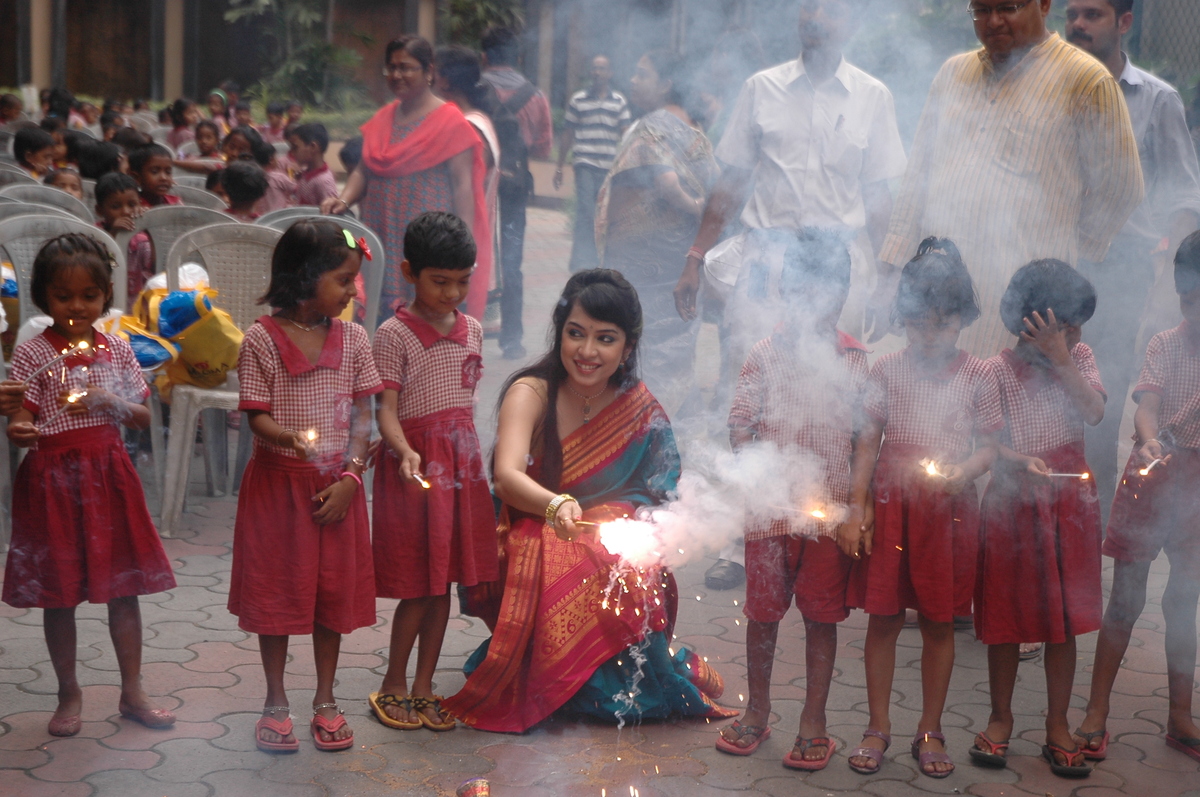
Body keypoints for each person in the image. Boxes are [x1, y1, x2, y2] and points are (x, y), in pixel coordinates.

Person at [442, 270, 736, 732]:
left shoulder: (638, 406)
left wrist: (644, 527)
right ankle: (566, 680)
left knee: (622, 552)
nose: (587, 351)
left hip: (605, 535)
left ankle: (642, 671)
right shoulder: (531, 390)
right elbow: (506, 477)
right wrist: (556, 506)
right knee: (569, 554)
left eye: (605, 339)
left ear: (628, 347)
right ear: (559, 331)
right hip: (531, 529)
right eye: (575, 333)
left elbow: (664, 489)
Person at [681, 0, 907, 591]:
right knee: (746, 392)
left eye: (829, 9)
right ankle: (739, 535)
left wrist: (887, 277)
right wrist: (695, 256)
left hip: (837, 267)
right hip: (768, 261)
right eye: (807, 6)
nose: (815, 16)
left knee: (827, 398)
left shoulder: (872, 97)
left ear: (852, 22)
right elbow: (730, 182)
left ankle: (819, 525)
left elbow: (880, 197)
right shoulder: (761, 88)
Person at [872, 0, 1143, 358]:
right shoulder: (953, 73)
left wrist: (1066, 254)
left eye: (1008, 7)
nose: (993, 21)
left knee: (1006, 405)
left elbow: (1121, 186)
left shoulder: (1086, 80)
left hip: (1021, 307)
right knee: (931, 405)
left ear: (1044, 5)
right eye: (981, 10)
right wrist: (891, 272)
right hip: (937, 304)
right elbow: (916, 179)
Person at [0, 233, 177, 738]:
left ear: (105, 296)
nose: (77, 306)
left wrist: (107, 401)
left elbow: (142, 417)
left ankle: (133, 690)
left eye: (89, 295)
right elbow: (20, 419)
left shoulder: (117, 350)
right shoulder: (34, 355)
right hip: (53, 482)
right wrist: (20, 429)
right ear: (43, 299)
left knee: (124, 589)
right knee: (60, 593)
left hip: (107, 477)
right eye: (63, 296)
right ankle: (68, 692)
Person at [840, 238, 1002, 778]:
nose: (929, 336)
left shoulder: (980, 375)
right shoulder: (884, 370)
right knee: (883, 618)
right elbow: (868, 442)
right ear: (903, 319)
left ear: (962, 320)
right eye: (918, 324)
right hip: (891, 506)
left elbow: (988, 446)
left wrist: (967, 471)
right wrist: (857, 507)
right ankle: (877, 725)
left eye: (942, 324)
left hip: (949, 511)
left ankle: (930, 727)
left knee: (938, 622)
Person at [715, 230, 868, 771]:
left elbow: (864, 443)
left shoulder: (855, 361)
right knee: (762, 613)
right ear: (785, 291)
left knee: (821, 616)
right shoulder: (763, 354)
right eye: (803, 292)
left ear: (843, 294)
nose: (815, 306)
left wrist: (855, 508)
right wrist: (761, 474)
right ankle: (757, 710)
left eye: (828, 293)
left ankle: (814, 722)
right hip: (768, 516)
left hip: (826, 520)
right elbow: (740, 427)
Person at [229, 220, 382, 754]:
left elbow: (365, 417)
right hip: (278, 491)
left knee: (329, 596)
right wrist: (288, 439)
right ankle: (275, 701)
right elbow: (257, 417)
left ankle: (325, 699)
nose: (352, 292)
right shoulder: (261, 340)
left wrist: (351, 478)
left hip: (336, 490)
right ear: (303, 278)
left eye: (354, 281)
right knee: (277, 595)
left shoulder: (356, 339)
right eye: (343, 280)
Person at [1064, 0, 1200, 517]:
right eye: (1072, 14)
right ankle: (1034, 514)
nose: (1077, 25)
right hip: (1055, 263)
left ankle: (1089, 520)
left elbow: (1185, 197)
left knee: (1104, 390)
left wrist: (1171, 287)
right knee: (1040, 384)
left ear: (1125, 22)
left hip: (1122, 270)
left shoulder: (1156, 99)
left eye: (1093, 14)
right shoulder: (1050, 90)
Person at [972, 261, 1106, 777]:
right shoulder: (996, 370)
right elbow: (987, 440)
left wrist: (1064, 359)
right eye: (1068, 326)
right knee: (1005, 616)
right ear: (1034, 322)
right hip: (1012, 502)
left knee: (1064, 619)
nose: (1077, 335)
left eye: (1076, 328)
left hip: (1069, 506)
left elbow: (1093, 412)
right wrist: (1014, 458)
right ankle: (1000, 718)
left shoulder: (1083, 358)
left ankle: (1057, 723)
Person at [1073, 231, 1200, 765]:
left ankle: (1179, 716)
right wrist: (1147, 437)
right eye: (1192, 301)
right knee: (1125, 599)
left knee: (1184, 601)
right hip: (1156, 472)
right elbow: (1148, 405)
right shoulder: (1166, 344)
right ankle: (1096, 712)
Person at [368, 212, 498, 732]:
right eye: (439, 281)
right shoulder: (393, 334)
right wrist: (403, 451)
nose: (452, 293)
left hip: (460, 469)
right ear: (408, 273)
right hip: (414, 468)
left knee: (443, 583)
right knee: (417, 584)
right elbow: (385, 410)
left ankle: (425, 687)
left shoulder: (474, 331)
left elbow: (464, 405)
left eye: (462, 281)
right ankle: (392, 683)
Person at [321, 36, 486, 322]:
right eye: (391, 68)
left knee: (424, 315)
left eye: (406, 67)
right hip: (380, 230)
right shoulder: (384, 117)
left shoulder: (451, 121)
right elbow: (363, 169)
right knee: (377, 312)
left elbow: (463, 187)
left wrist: (465, 245)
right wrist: (343, 199)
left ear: (428, 71)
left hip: (427, 239)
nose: (397, 75)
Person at [595, 49, 718, 415]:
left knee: (637, 351)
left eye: (641, 74)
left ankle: (639, 432)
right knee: (674, 352)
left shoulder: (651, 126)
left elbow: (663, 180)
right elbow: (718, 193)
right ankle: (674, 430)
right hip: (683, 260)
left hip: (641, 261)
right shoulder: (698, 134)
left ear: (666, 84)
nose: (633, 81)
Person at [481, 26, 553, 359]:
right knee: (512, 261)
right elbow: (542, 148)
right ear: (518, 57)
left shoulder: (473, 89)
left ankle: (464, 330)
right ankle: (512, 339)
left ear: (484, 56)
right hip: (514, 183)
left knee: (471, 251)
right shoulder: (535, 95)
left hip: (475, 182)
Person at [434, 44, 499, 321]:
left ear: (444, 80)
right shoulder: (476, 120)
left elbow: (466, 191)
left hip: (459, 245)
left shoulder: (469, 126)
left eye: (430, 73)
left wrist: (462, 250)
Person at [555, 55, 630, 272]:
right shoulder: (578, 100)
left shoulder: (619, 102)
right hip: (585, 163)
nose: (597, 72)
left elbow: (626, 134)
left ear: (610, 73)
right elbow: (567, 134)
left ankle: (599, 261)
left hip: (608, 166)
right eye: (594, 68)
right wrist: (559, 166)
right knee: (586, 211)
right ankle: (581, 262)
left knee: (603, 214)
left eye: (602, 68)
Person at [94, 173, 154, 298]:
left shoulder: (142, 239)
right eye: (116, 207)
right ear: (100, 210)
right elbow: (111, 266)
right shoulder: (95, 236)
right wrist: (113, 236)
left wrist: (150, 229)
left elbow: (153, 266)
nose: (126, 212)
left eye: (132, 205)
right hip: (108, 301)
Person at [289, 123, 338, 207]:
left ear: (313, 147)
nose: (292, 153)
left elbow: (331, 215)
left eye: (295, 147)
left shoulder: (323, 182)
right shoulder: (305, 174)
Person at [128, 144, 180, 209]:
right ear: (136, 177)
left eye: (168, 172)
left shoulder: (175, 203)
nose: (164, 178)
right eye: (154, 172)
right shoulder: (134, 208)